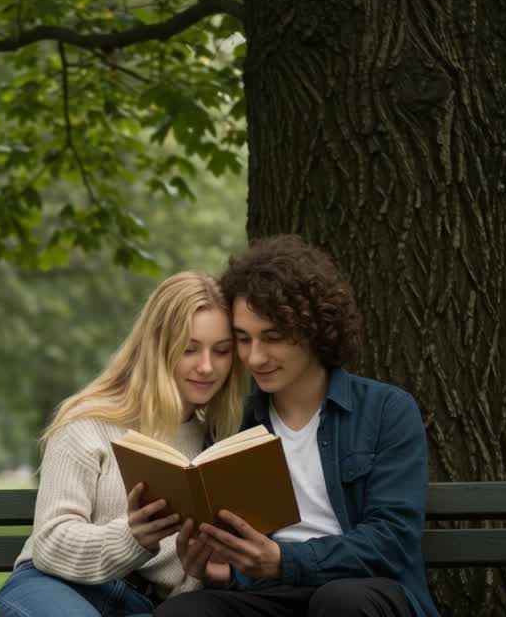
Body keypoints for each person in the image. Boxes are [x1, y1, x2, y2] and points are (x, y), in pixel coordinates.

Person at [156, 235, 439, 617]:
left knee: (339, 602)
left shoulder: (386, 409)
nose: (255, 357)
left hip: (365, 590)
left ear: (315, 330)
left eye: (272, 338)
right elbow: (241, 549)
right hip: (270, 593)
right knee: (182, 614)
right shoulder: (238, 423)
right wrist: (223, 571)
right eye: (243, 339)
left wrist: (284, 560)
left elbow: (391, 540)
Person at [0, 271, 250, 617]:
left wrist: (210, 572)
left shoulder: (220, 442)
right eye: (189, 349)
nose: (206, 367)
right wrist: (131, 537)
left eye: (221, 351)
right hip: (57, 587)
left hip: (147, 606)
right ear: (158, 347)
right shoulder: (89, 422)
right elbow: (50, 544)